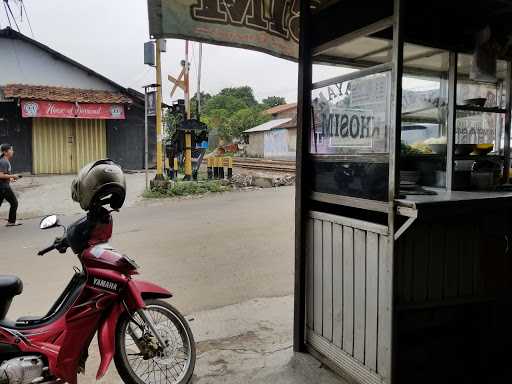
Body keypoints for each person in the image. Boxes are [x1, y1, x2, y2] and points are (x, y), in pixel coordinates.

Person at [0, 143, 21, 226]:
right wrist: (13, 176)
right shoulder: (3, 161)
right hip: (3, 187)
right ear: (5, 152)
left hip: (2, 186)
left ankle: (11, 221)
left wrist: (10, 179)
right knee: (14, 203)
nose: (13, 151)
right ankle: (11, 222)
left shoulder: (4, 160)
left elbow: (3, 175)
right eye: (11, 150)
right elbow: (0, 175)